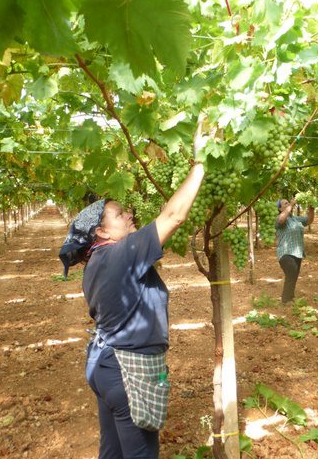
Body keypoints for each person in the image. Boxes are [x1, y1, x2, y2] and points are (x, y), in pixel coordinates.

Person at [58, 123, 207, 459]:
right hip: (125, 371)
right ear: (101, 231)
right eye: (119, 213)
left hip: (103, 365)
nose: (129, 215)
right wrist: (201, 163)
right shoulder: (121, 255)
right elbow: (174, 216)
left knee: (111, 452)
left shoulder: (96, 263)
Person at [275, 197, 314, 304]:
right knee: (291, 272)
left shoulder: (296, 219)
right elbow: (281, 220)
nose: (288, 204)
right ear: (280, 209)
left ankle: (290, 298)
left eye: (288, 202)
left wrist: (311, 209)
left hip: (297, 252)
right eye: (285, 203)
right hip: (285, 252)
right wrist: (291, 204)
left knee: (294, 275)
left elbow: (309, 220)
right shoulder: (279, 218)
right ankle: (286, 299)